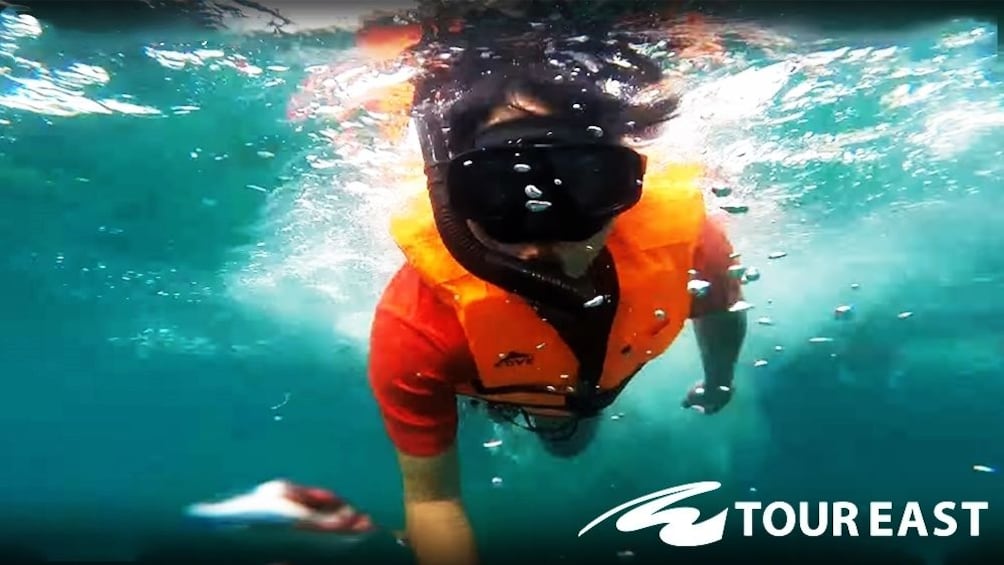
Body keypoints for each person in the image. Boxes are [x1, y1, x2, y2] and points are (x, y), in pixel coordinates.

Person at [361, 14, 748, 565]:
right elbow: (434, 502)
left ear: (625, 191)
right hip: (486, 380)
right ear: (451, 195)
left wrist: (720, 382)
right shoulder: (419, 327)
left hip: (580, 378)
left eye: (587, 185)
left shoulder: (688, 243)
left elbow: (722, 309)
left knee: (571, 433)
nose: (541, 244)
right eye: (496, 192)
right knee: (532, 420)